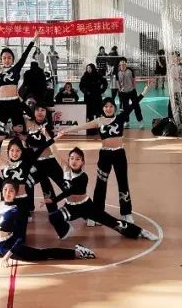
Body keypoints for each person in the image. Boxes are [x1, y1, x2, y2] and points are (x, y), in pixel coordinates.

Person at [58, 87, 149, 224]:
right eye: (106, 106)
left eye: (111, 106)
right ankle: (96, 214)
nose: (108, 108)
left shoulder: (120, 117)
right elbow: (82, 126)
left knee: (123, 183)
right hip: (105, 155)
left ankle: (126, 212)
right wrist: (66, 130)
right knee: (100, 185)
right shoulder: (99, 121)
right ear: (103, 108)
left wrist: (145, 91)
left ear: (114, 108)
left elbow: (134, 103)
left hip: (119, 154)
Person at [46, 147, 157, 241]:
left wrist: (53, 200)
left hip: (86, 206)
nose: (74, 161)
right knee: (53, 217)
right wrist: (47, 136)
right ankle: (65, 231)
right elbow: (55, 152)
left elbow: (69, 191)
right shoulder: (66, 169)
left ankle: (140, 232)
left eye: (78, 159)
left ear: (83, 162)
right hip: (70, 207)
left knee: (112, 222)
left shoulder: (83, 177)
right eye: (71, 158)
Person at [26, 103, 65, 216]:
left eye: (43, 110)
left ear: (46, 113)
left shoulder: (50, 125)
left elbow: (48, 143)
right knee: (27, 183)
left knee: (65, 184)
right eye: (37, 110)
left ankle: (78, 207)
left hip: (50, 161)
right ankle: (29, 208)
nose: (40, 112)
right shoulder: (28, 123)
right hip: (35, 163)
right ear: (33, 112)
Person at [78, 64, 107, 137]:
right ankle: (91, 128)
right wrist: (86, 91)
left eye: (90, 68)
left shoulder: (98, 75)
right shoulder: (84, 77)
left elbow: (105, 83)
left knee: (98, 112)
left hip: (97, 97)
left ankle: (99, 127)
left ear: (93, 68)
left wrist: (101, 90)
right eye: (87, 68)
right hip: (88, 97)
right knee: (89, 113)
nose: (88, 69)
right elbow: (81, 86)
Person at [167, 52, 182, 123]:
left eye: (177, 56)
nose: (175, 58)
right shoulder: (172, 67)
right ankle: (171, 119)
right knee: (172, 105)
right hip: (175, 90)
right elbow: (177, 77)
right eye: (174, 57)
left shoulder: (181, 66)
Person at [115, 58, 142, 123]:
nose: (123, 63)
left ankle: (140, 121)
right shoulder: (118, 72)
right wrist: (120, 90)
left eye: (124, 62)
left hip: (132, 91)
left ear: (126, 63)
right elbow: (117, 81)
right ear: (119, 64)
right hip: (124, 93)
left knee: (136, 106)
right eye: (121, 62)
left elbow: (134, 79)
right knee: (125, 108)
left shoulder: (130, 70)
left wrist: (134, 87)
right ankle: (126, 121)